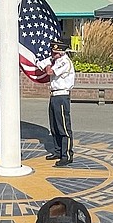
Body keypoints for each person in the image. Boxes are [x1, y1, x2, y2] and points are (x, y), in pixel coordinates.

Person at [42, 36, 75, 166]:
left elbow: (50, 71)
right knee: (54, 126)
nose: (52, 54)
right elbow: (40, 64)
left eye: (55, 52)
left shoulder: (64, 61)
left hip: (62, 95)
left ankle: (66, 154)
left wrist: (48, 64)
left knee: (63, 127)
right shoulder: (56, 61)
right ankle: (58, 150)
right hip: (54, 95)